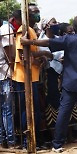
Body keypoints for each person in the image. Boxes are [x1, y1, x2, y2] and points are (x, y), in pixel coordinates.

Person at [20, 14, 77, 152]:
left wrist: (28, 42)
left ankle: (57, 145)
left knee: (63, 114)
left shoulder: (69, 40)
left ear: (74, 27)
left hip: (70, 85)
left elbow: (48, 43)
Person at [12, 6, 52, 149]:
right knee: (26, 110)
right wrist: (42, 57)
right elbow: (22, 54)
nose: (37, 14)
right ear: (27, 14)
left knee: (34, 109)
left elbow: (32, 52)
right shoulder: (23, 30)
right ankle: (27, 143)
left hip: (32, 76)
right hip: (23, 77)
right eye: (34, 12)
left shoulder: (31, 30)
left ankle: (36, 141)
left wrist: (41, 57)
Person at [0, 9, 22, 148]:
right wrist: (13, 70)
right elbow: (8, 52)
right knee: (7, 109)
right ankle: (11, 141)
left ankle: (2, 141)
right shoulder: (5, 28)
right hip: (5, 74)